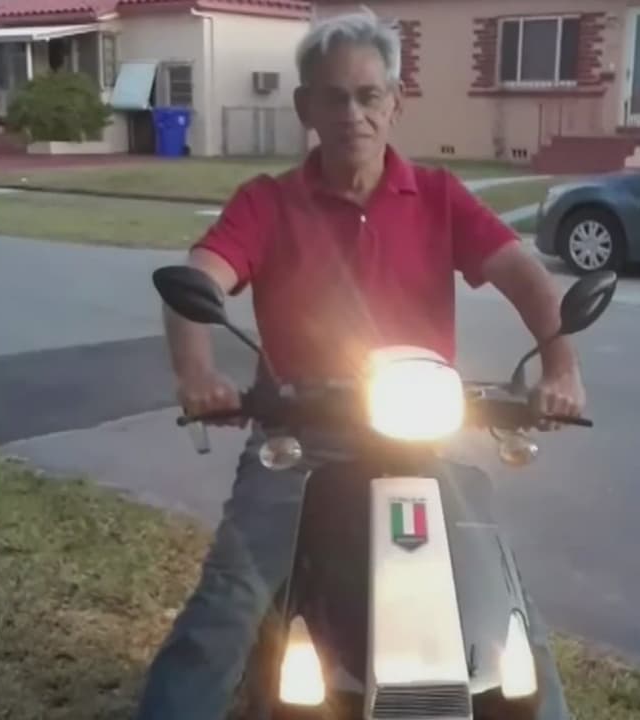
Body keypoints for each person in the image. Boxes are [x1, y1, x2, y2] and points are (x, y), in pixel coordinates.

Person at [135, 10, 585, 720]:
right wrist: (197, 375)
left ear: (395, 102)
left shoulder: (439, 195)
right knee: (230, 601)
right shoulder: (267, 202)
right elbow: (200, 279)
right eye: (335, 97)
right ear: (305, 107)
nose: (353, 113)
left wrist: (560, 367)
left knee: (503, 612)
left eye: (369, 95)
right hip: (302, 434)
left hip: (422, 437)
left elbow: (524, 275)